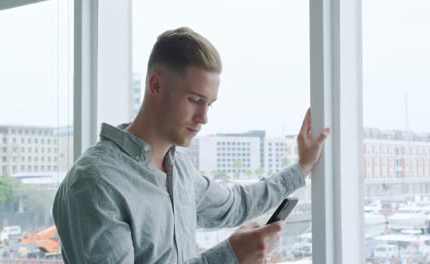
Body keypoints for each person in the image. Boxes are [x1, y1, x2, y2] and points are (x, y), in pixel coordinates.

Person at [52, 27, 330, 264]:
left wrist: (302, 167)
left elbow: (235, 204)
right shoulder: (94, 183)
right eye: (195, 100)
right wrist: (230, 256)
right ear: (156, 85)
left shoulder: (180, 169)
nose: (204, 118)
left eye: (209, 104)